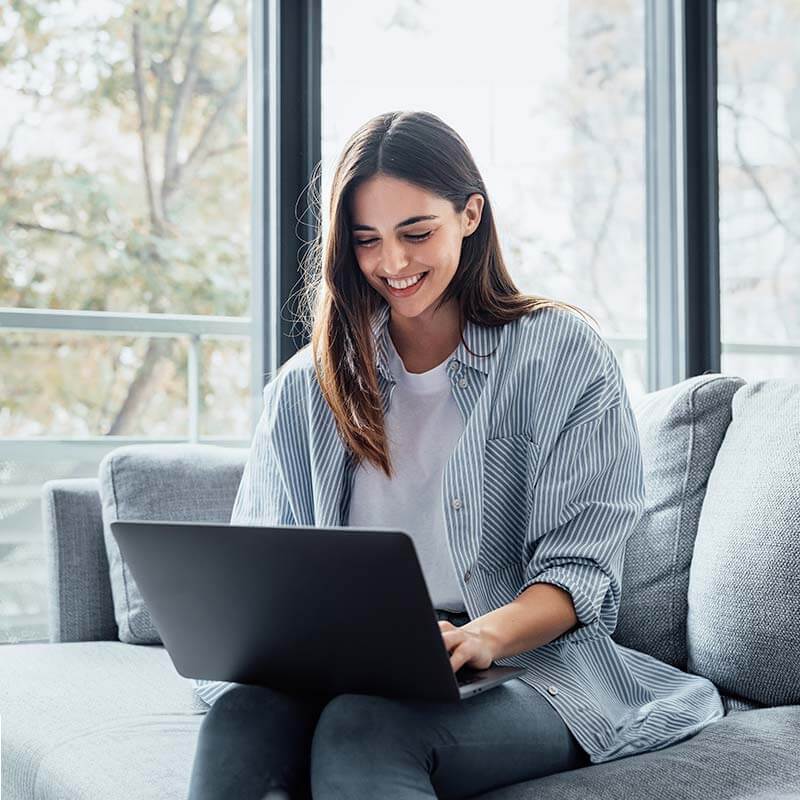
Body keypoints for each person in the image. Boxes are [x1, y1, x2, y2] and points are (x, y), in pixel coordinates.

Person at [187, 110, 724, 800]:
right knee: (240, 718)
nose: (393, 264)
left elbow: (579, 574)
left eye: (417, 233)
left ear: (470, 215)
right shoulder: (306, 386)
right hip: (351, 659)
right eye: (366, 241)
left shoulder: (560, 353)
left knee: (365, 728)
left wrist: (480, 637)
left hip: (528, 662)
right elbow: (262, 570)